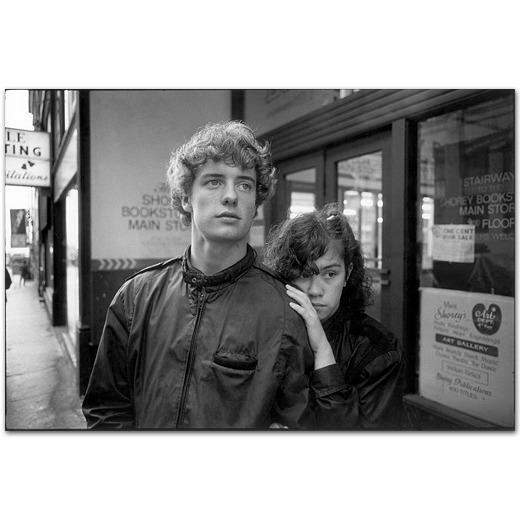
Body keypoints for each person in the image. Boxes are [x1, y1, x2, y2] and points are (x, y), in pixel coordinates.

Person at [82, 121, 315, 430]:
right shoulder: (136, 298)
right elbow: (106, 409)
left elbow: (296, 423)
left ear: (256, 204)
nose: (231, 196)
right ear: (185, 198)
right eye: (214, 181)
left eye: (245, 184)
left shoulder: (285, 311)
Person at [264, 203, 403, 429]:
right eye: (304, 273)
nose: (315, 290)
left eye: (330, 274)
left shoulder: (377, 350)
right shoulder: (266, 332)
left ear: (347, 274)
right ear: (286, 274)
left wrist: (323, 352)